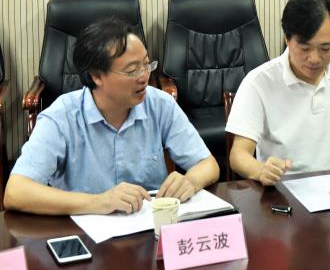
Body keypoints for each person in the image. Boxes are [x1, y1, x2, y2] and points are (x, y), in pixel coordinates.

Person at [4, 18, 220, 216]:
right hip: (86, 231)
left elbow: (208, 165)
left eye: (147, 64)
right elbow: (16, 192)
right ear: (96, 76)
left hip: (148, 227)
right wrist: (99, 202)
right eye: (132, 70)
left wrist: (190, 181)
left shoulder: (160, 105)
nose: (144, 77)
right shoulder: (62, 117)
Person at [226, 0, 330, 186]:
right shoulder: (258, 82)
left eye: (325, 48)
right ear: (287, 39)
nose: (314, 59)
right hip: (284, 190)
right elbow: (238, 154)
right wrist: (260, 170)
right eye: (305, 48)